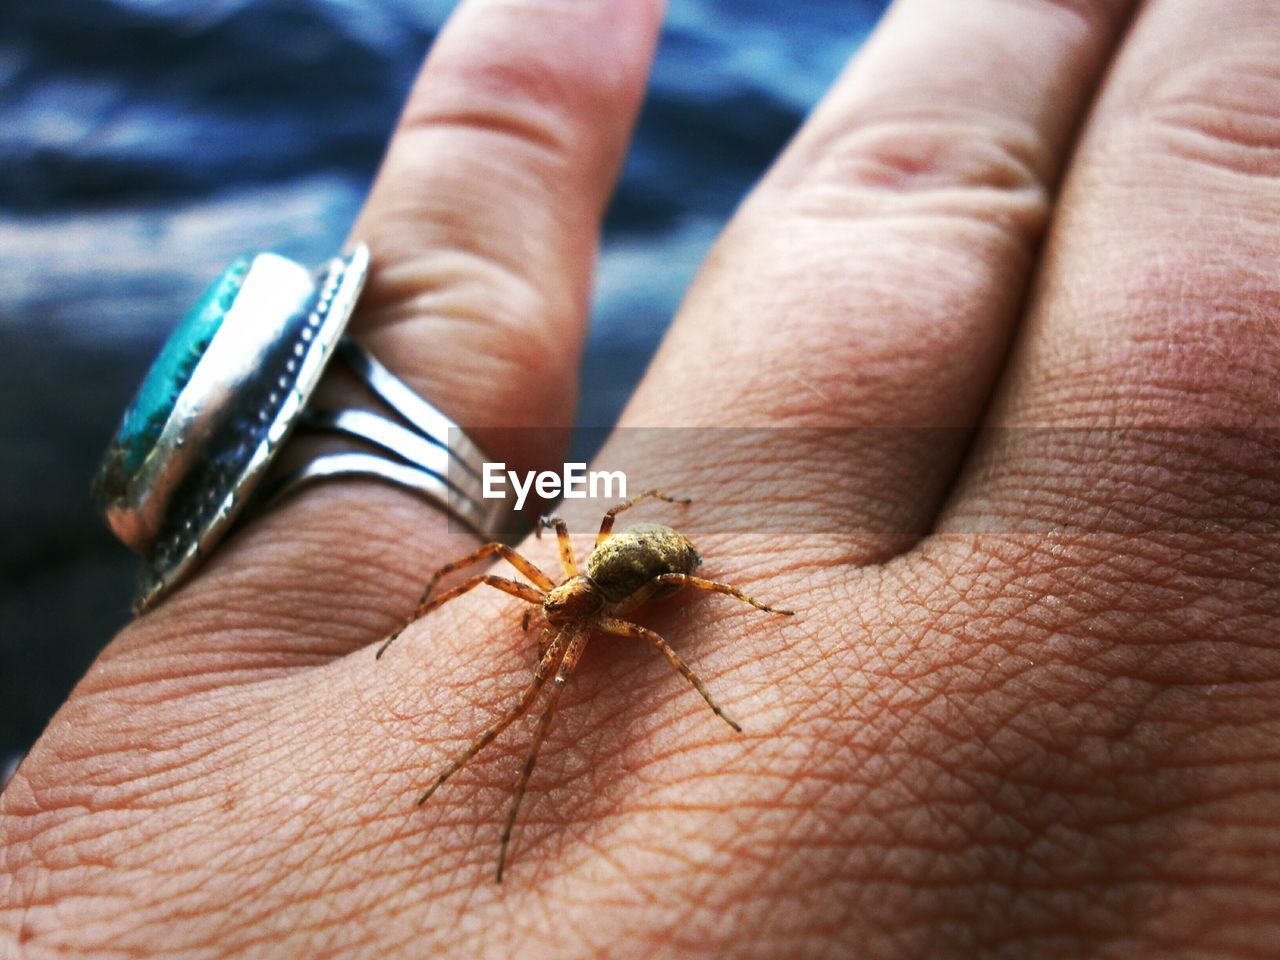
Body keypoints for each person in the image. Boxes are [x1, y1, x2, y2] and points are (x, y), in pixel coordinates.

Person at [3, 0, 1278, 954]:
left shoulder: (597, 617)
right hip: (628, 554)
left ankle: (486, 796)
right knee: (498, 582)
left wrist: (726, 627)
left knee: (540, 708)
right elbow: (508, 557)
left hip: (654, 571)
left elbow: (654, 645)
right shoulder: (550, 584)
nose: (544, 614)